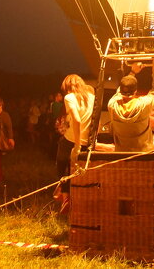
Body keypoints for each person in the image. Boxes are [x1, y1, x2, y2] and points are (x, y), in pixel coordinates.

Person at [56, 73, 95, 212]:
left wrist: (77, 145)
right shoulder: (92, 97)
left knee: (63, 165)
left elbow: (77, 120)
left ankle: (65, 196)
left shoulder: (69, 97)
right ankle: (77, 198)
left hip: (72, 139)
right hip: (87, 140)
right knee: (79, 170)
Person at [108, 58, 154, 151]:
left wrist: (132, 72)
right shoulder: (143, 104)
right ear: (135, 91)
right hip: (143, 154)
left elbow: (119, 92)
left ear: (121, 91)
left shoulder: (112, 105)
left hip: (121, 155)